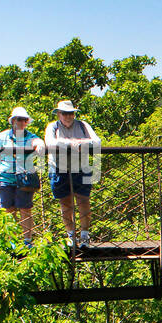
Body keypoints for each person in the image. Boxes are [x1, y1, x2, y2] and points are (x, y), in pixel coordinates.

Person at [44, 99, 101, 248]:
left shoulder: (83, 125)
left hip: (81, 168)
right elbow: (50, 143)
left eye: (70, 113)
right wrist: (72, 143)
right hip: (59, 169)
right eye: (64, 113)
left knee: (84, 202)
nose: (68, 117)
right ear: (58, 114)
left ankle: (84, 236)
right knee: (65, 205)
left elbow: (97, 142)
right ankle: (71, 237)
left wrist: (81, 143)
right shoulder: (52, 127)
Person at [0, 107, 44, 248]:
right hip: (5, 176)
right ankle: (11, 241)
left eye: (24, 120)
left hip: (24, 177)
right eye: (19, 119)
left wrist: (39, 146)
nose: (22, 122)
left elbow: (38, 142)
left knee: (25, 209)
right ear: (13, 121)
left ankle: (27, 241)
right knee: (8, 209)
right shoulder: (2, 137)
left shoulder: (30, 136)